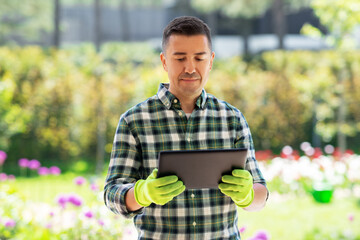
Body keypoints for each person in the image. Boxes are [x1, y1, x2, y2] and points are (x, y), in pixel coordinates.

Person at [104, 16, 268, 239]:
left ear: (210, 61)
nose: (190, 68)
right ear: (164, 61)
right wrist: (142, 193)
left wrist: (248, 195)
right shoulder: (134, 121)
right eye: (180, 58)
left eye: (199, 58)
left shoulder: (232, 119)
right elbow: (112, 194)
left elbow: (260, 194)